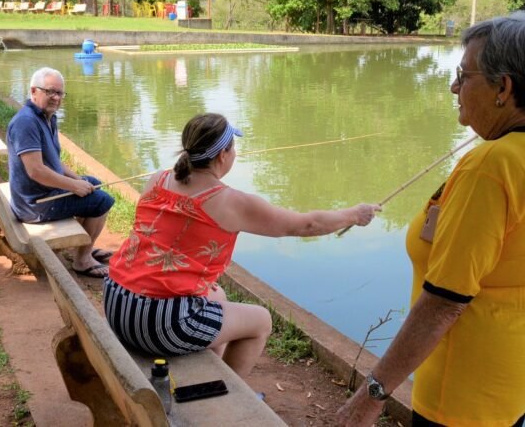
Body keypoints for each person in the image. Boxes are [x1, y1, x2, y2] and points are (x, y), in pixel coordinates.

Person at [337, 12, 525, 426]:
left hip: (462, 390)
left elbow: (443, 303)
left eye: (464, 75)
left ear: (503, 88)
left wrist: (370, 396)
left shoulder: (492, 166)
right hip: (519, 371)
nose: (455, 87)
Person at [105, 113, 381, 377]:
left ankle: (210, 378)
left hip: (117, 302)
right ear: (223, 155)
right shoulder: (230, 202)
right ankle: (229, 397)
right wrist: (354, 215)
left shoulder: (159, 178)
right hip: (155, 325)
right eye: (233, 147)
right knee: (261, 321)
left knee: (218, 297)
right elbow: (304, 225)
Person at [6, 67, 115, 277]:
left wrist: (78, 179)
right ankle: (82, 261)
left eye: (59, 93)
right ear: (34, 91)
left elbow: (53, 161)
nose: (56, 97)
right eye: (50, 92)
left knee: (94, 183)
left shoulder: (47, 117)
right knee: (103, 201)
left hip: (42, 194)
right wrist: (74, 186)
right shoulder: (26, 122)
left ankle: (82, 247)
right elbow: (36, 171)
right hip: (35, 204)